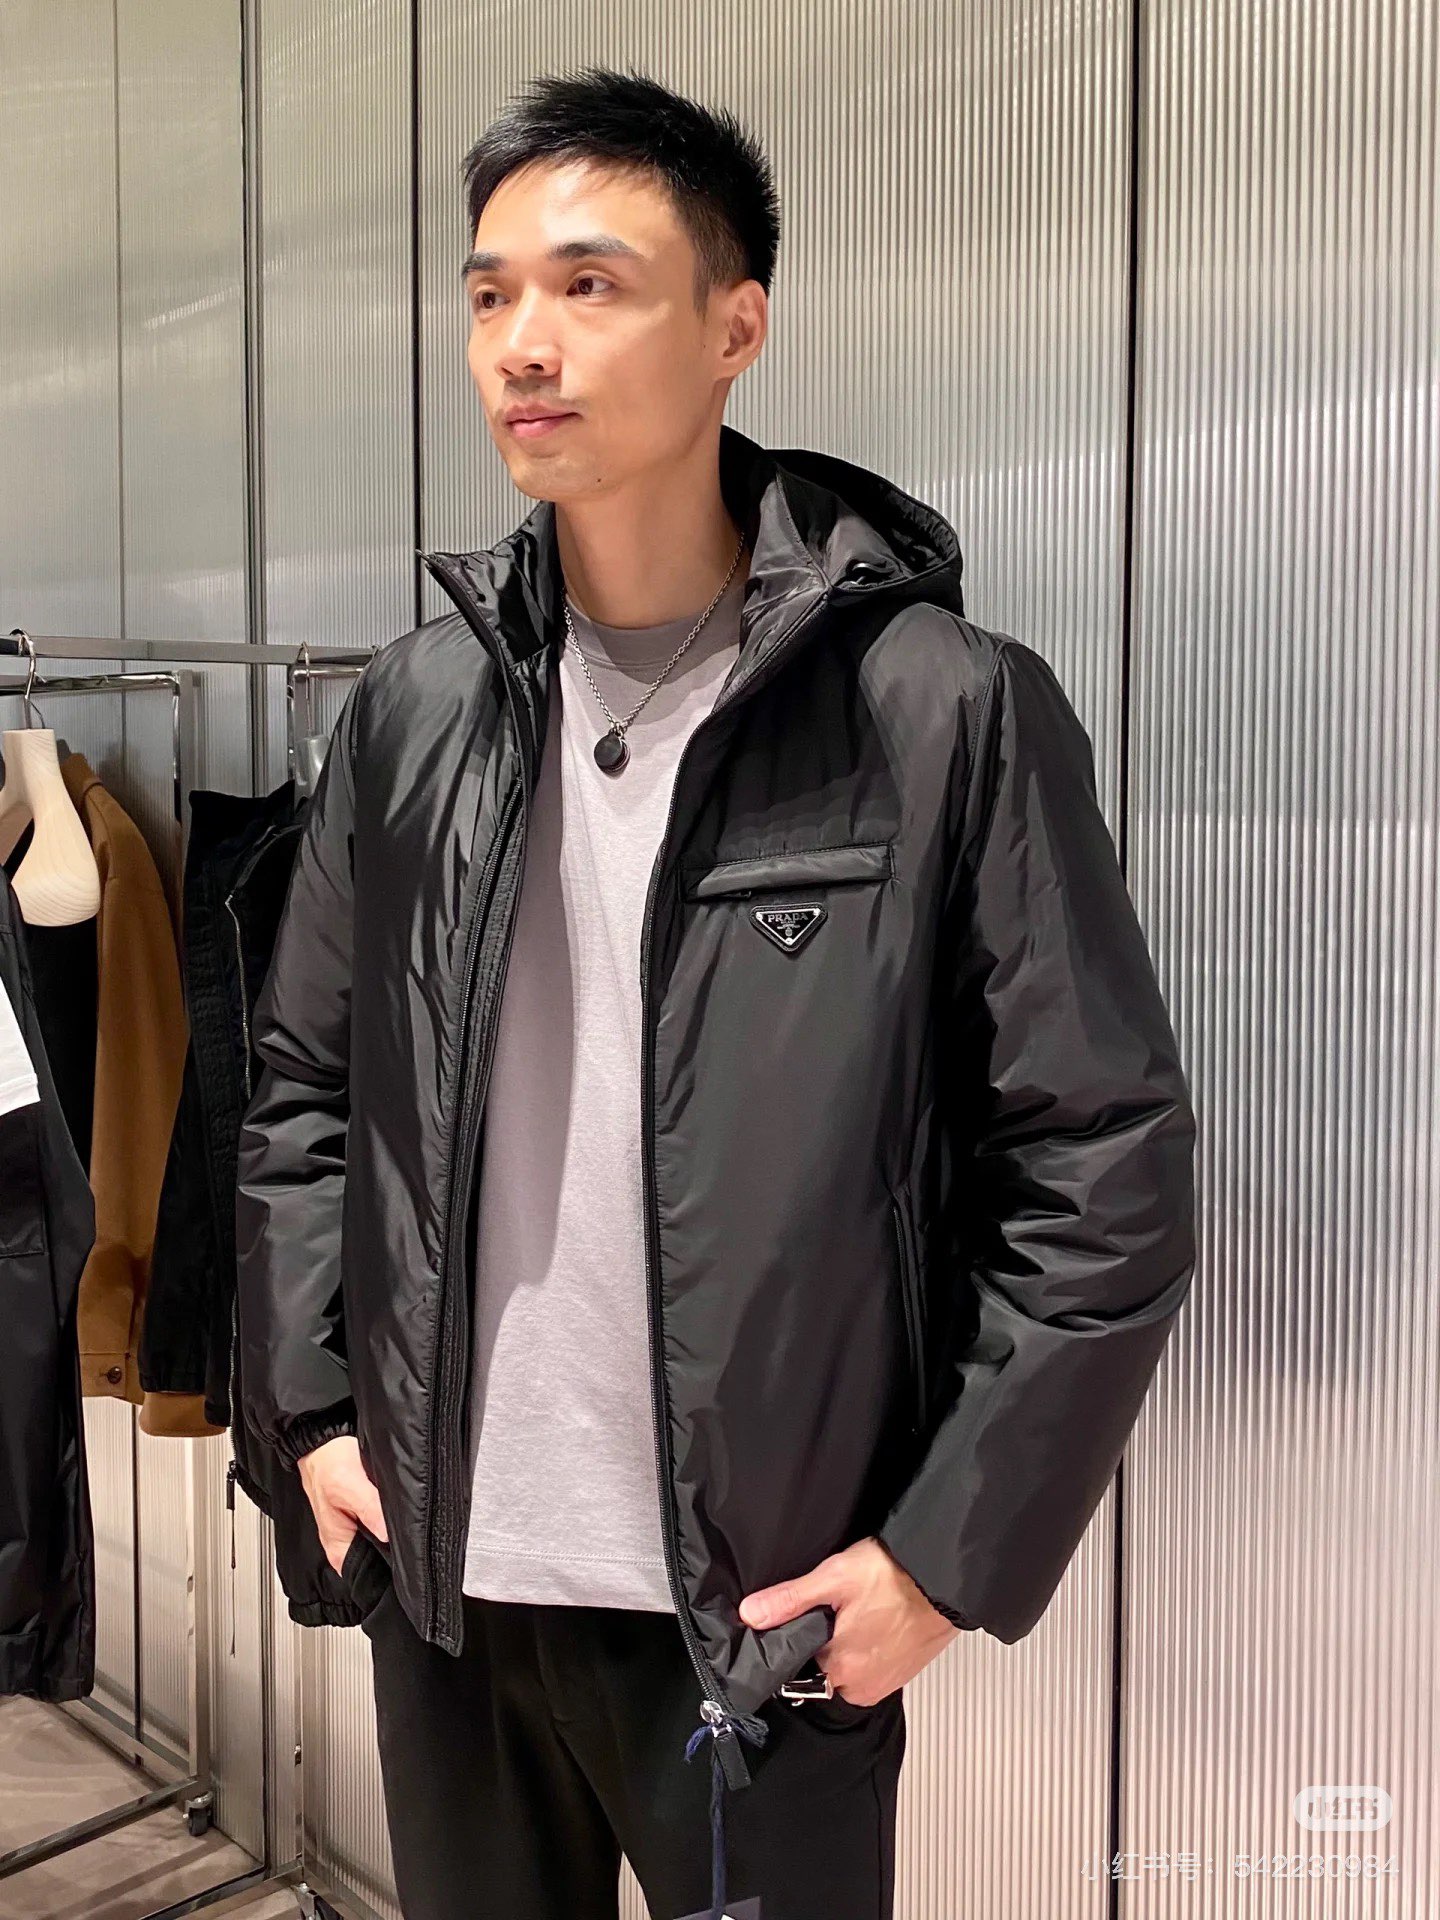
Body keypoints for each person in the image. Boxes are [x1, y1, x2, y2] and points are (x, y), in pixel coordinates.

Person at [235, 63, 1197, 1920]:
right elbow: (302, 1095)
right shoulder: (415, 712)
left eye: (590, 285)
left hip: (759, 1626)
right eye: (490, 292)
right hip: (445, 1586)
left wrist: (943, 1557)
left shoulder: (940, 709)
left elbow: (1103, 1168)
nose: (524, 342)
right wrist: (316, 1421)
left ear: (736, 326)